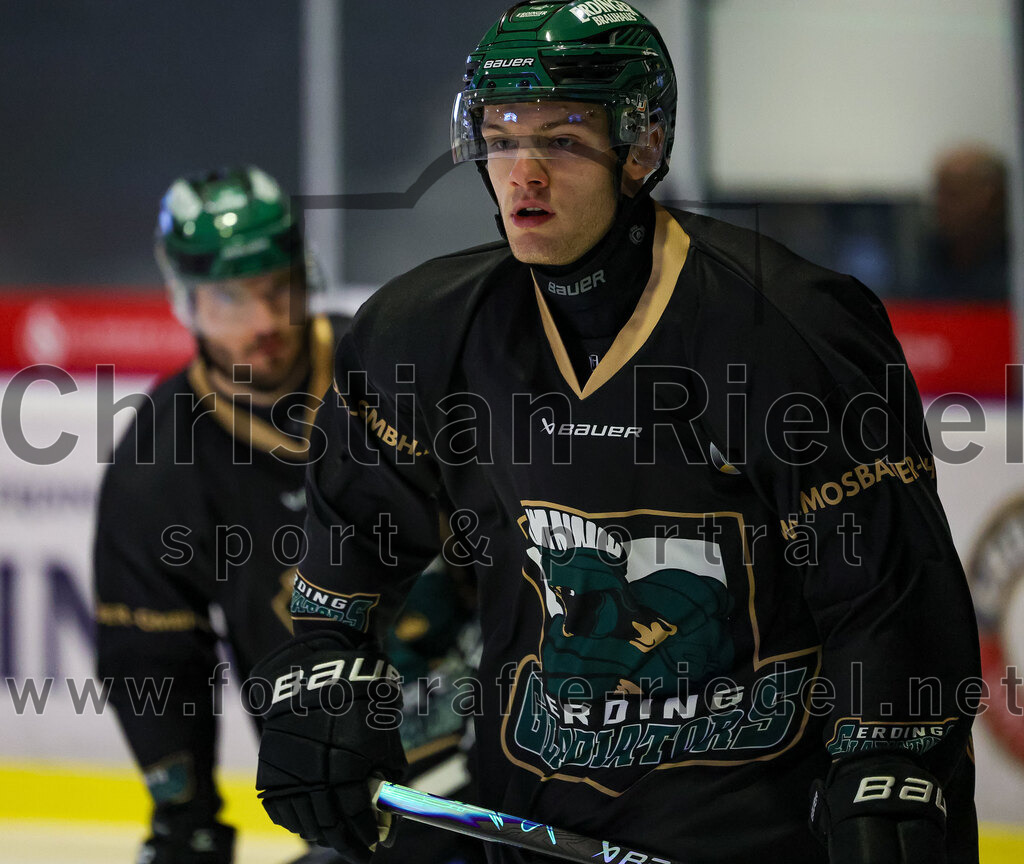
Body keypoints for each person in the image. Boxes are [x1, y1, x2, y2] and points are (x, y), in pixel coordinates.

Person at [251, 4, 981, 863]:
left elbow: (887, 593)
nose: (521, 175)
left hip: (761, 838)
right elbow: (350, 540)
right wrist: (324, 673)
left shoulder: (783, 329)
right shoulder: (425, 334)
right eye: (500, 136)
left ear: (640, 147)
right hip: (537, 833)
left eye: (560, 142)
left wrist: (890, 759)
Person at [94, 166, 480, 864]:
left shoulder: (392, 368)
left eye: (278, 288)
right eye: (231, 299)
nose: (266, 323)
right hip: (351, 778)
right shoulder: (157, 463)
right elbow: (152, 660)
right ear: (185, 302)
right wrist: (187, 820)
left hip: (494, 731)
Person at [918, 143, 1009, 301]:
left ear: (992, 200)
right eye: (938, 194)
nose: (940, 205)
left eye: (953, 195)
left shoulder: (1013, 264)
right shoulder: (929, 255)